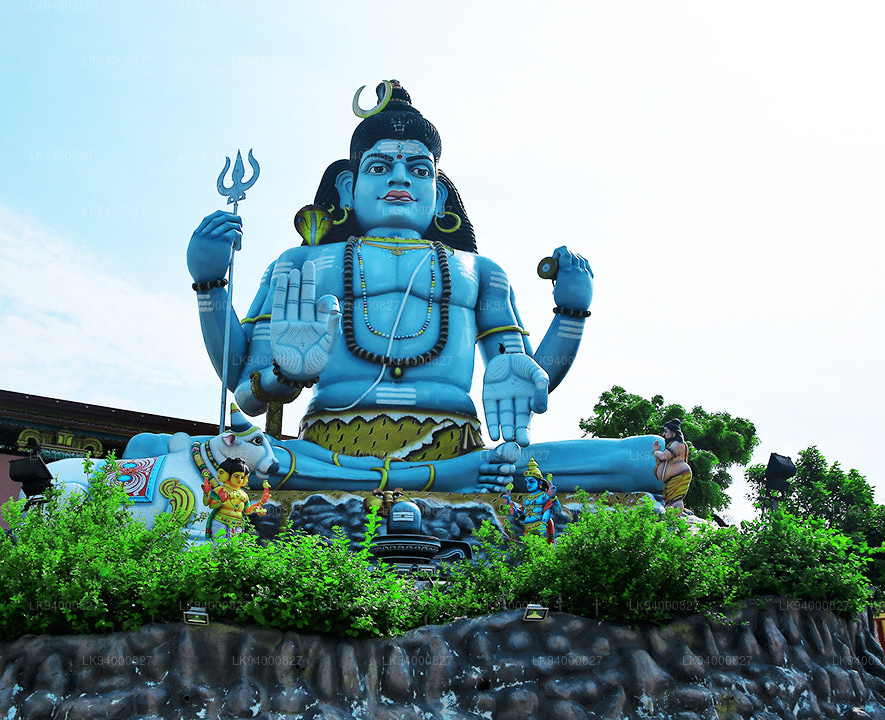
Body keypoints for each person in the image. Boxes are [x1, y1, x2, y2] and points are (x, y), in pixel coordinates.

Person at [184, 80, 660, 496]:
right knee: (208, 451)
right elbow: (244, 392)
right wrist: (215, 289)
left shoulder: (479, 271)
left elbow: (528, 381)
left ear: (439, 193)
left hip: (456, 446)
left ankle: (423, 477)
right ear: (348, 187)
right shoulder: (304, 264)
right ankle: (445, 481)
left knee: (644, 459)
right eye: (379, 168)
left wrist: (571, 313)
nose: (399, 178)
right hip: (330, 446)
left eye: (418, 169)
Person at [202, 457, 269, 539]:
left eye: (242, 477)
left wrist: (261, 503)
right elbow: (210, 505)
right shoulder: (220, 490)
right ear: (228, 475)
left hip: (237, 525)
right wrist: (215, 498)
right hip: (221, 522)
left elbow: (246, 511)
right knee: (219, 544)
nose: (239, 480)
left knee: (234, 545)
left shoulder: (244, 494)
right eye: (236, 476)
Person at [652, 419, 693, 510]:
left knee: (676, 499)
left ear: (673, 433)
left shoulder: (678, 444)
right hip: (671, 478)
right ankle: (670, 515)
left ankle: (676, 515)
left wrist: (655, 451)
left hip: (679, 475)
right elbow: (662, 461)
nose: (664, 434)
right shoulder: (672, 444)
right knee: (669, 500)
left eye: (666, 431)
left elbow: (664, 456)